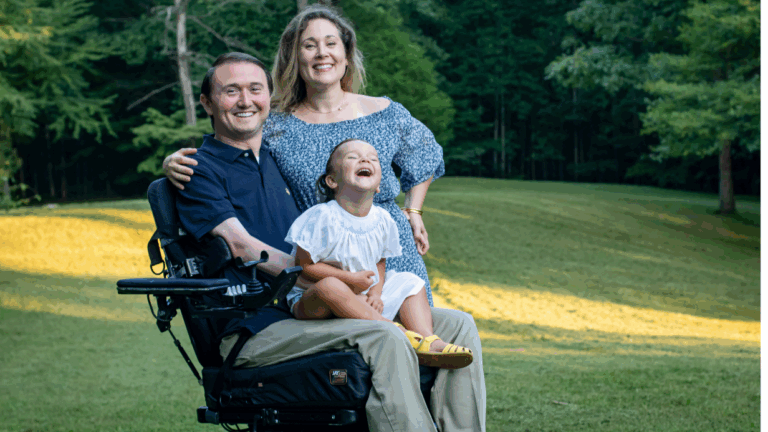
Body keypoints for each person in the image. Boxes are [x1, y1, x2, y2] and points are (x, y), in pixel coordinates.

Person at [177, 51, 485, 432]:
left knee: (457, 325)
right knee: (385, 335)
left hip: (319, 307)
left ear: (268, 99)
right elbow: (241, 247)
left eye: (255, 89)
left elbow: (347, 178)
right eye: (230, 91)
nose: (245, 100)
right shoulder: (197, 170)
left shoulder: (277, 158)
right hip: (254, 326)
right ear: (207, 102)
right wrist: (329, 278)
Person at [165, 4, 441, 307]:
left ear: (346, 55)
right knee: (373, 343)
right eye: (309, 46)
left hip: (388, 248)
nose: (322, 53)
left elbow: (425, 154)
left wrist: (413, 211)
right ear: (294, 58)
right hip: (326, 261)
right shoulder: (276, 124)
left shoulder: (383, 112)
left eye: (331, 44)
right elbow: (234, 142)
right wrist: (171, 161)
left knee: (421, 342)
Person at [285, 138, 473, 369]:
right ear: (332, 180)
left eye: (373, 158)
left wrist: (375, 293)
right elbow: (304, 266)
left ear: (379, 185)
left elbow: (379, 262)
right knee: (331, 286)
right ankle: (394, 330)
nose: (365, 159)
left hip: (361, 294)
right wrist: (350, 280)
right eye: (352, 157)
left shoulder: (383, 220)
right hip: (313, 301)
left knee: (410, 281)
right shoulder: (322, 217)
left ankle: (426, 339)